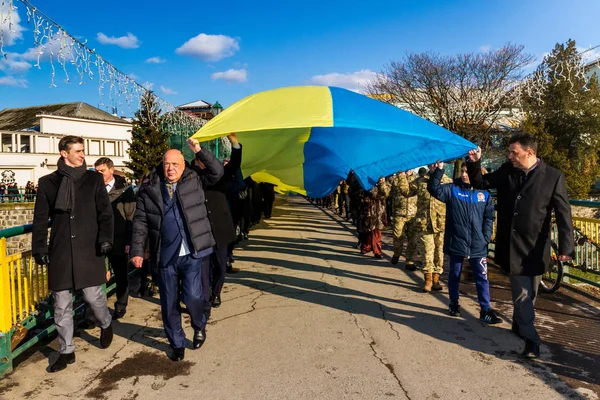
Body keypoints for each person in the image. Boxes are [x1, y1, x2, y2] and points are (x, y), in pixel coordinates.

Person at [466, 132, 575, 359]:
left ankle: (519, 324)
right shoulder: (508, 170)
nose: (510, 156)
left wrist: (566, 247)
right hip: (512, 246)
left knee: (530, 294)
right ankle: (532, 340)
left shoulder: (553, 177)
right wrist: (475, 163)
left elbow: (564, 213)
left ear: (530, 152)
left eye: (514, 152)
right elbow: (481, 183)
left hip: (536, 248)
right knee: (523, 295)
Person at [130, 139, 223, 362]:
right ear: (161, 165)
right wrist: (137, 250)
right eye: (166, 164)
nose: (170, 168)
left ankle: (199, 324)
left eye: (175, 164)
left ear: (184, 165)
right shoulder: (149, 187)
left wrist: (199, 150)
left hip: (192, 252)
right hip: (165, 255)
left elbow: (217, 171)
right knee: (169, 302)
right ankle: (177, 342)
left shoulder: (195, 179)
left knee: (193, 297)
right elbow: (140, 221)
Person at [32, 135, 114, 373]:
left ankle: (105, 322)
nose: (82, 155)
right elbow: (39, 220)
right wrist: (40, 248)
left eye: (82, 150)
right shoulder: (47, 183)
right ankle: (66, 351)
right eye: (77, 151)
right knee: (61, 305)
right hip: (60, 251)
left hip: (89, 249)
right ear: (63, 154)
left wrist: (106, 239)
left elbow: (105, 214)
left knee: (93, 297)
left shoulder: (93, 180)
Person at [428, 160, 501, 324]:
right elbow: (434, 189)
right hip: (457, 243)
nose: (464, 174)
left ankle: (485, 310)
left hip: (478, 245)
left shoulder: (484, 194)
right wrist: (437, 172)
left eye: (467, 171)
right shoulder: (453, 189)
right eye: (462, 171)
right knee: (454, 275)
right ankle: (453, 304)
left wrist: (486, 236)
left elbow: (489, 216)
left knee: (482, 278)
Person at [199, 133, 241, 312]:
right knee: (204, 267)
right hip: (201, 232)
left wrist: (235, 143)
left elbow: (235, 163)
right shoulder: (195, 178)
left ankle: (216, 292)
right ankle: (205, 295)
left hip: (221, 230)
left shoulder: (222, 176)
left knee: (220, 265)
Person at [94, 157, 137, 320]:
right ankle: (94, 312)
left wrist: (129, 241)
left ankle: (120, 305)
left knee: (120, 274)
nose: (99, 175)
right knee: (96, 275)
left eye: (102, 171)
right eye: (96, 171)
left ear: (112, 170)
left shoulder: (125, 190)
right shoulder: (94, 189)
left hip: (118, 239)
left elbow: (130, 216)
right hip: (99, 239)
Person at [399, 166, 452, 292]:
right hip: (424, 223)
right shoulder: (420, 181)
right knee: (427, 251)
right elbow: (406, 191)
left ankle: (436, 278)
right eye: (432, 164)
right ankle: (427, 279)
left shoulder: (447, 181)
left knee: (439, 252)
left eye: (437, 164)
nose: (434, 166)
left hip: (441, 223)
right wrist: (401, 176)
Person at [389, 170, 418, 268]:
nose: (408, 170)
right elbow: (386, 193)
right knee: (398, 237)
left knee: (413, 239)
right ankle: (397, 253)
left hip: (413, 214)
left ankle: (410, 261)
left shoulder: (417, 179)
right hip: (399, 214)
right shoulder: (395, 179)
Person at [358, 177, 391, 259]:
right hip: (368, 211)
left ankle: (377, 251)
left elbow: (385, 194)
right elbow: (360, 194)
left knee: (377, 232)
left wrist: (381, 183)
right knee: (367, 232)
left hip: (379, 212)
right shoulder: (364, 181)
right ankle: (366, 247)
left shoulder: (385, 184)